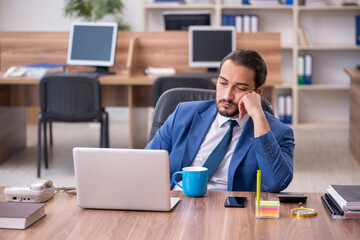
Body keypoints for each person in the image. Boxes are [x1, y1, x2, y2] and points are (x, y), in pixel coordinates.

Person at [146, 49, 295, 193]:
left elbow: (276, 183)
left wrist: (258, 116)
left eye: (240, 88)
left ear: (258, 92)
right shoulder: (183, 114)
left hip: (227, 212)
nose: (227, 95)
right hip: (177, 203)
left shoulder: (278, 132)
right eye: (223, 83)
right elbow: (147, 163)